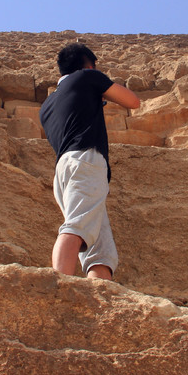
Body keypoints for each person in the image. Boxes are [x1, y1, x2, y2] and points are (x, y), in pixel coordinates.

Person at [39, 43, 140, 280]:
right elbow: (132, 101)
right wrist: (100, 87)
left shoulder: (46, 107)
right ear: (88, 64)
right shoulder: (87, 77)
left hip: (63, 172)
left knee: (99, 249)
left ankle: (99, 300)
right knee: (76, 228)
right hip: (85, 161)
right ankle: (59, 289)